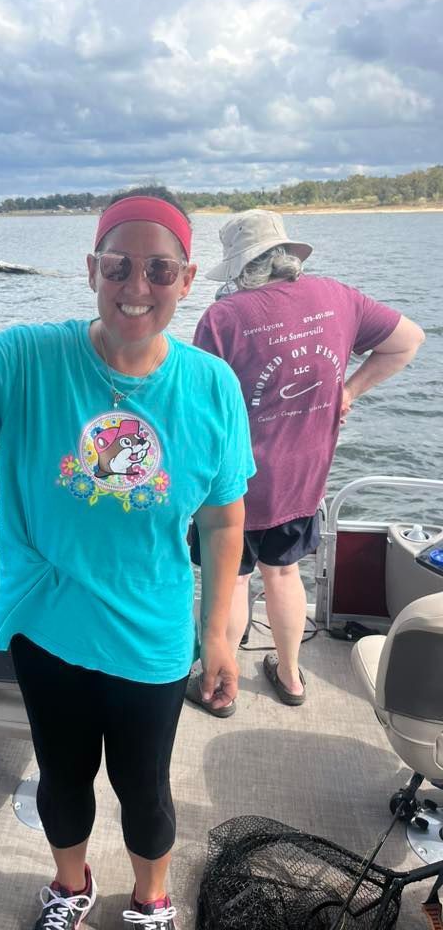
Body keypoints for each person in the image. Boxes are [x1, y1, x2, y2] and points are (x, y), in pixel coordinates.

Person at [0, 187, 256, 930]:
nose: (135, 289)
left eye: (157, 270)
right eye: (118, 267)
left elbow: (222, 518)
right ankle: (70, 884)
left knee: (145, 788)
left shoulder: (212, 385)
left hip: (151, 636)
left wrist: (216, 633)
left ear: (186, 279)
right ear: (91, 269)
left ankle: (152, 897)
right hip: (47, 629)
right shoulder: (28, 357)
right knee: (63, 779)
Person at [189, 208, 425, 714]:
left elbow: (198, 408)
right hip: (304, 480)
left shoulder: (222, 318)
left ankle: (220, 683)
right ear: (287, 257)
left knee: (232, 581)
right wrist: (349, 391)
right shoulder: (339, 297)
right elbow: (409, 340)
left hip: (236, 485)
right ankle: (292, 677)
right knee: (285, 574)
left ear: (240, 267)